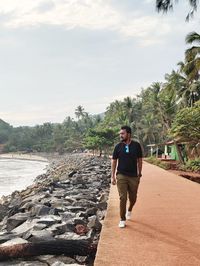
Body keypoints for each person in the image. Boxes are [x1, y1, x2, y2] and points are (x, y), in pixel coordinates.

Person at [111, 125, 143, 228]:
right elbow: (114, 161)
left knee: (133, 198)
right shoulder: (118, 146)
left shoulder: (136, 145)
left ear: (128, 134)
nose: (121, 135)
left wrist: (139, 173)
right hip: (121, 175)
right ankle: (122, 219)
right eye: (120, 134)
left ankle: (129, 209)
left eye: (122, 133)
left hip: (134, 176)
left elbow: (139, 160)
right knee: (122, 197)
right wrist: (112, 176)